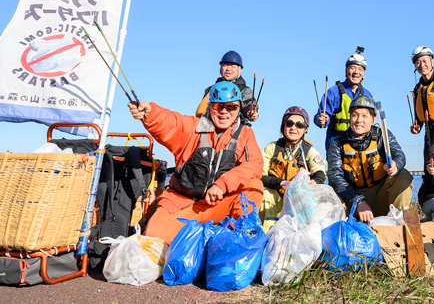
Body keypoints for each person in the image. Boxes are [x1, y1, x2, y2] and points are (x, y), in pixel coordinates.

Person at [128, 81, 264, 245]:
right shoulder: (193, 126)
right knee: (154, 236)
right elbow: (171, 122)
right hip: (185, 203)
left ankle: (239, 238)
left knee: (254, 186)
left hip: (221, 206)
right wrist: (150, 112)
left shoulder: (246, 134)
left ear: (239, 109)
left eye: (231, 107)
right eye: (218, 106)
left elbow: (254, 165)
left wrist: (223, 184)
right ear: (209, 107)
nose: (224, 112)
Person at [327, 95, 413, 222]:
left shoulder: (382, 135)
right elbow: (335, 177)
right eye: (355, 115)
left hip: (380, 196)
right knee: (330, 196)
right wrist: (357, 200)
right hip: (352, 201)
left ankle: (398, 220)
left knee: (403, 176)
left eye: (364, 116)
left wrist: (395, 165)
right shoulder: (337, 143)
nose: (359, 120)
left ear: (373, 119)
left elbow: (399, 154)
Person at [259, 106, 326, 232]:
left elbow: (320, 172)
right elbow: (261, 175)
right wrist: (281, 184)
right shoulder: (271, 148)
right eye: (289, 123)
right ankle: (267, 236)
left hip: (299, 197)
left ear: (306, 129)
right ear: (283, 126)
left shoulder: (310, 151)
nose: (293, 128)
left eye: (299, 125)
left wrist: (314, 182)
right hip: (276, 193)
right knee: (264, 194)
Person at [314, 47, 373, 151]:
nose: (356, 72)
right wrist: (322, 119)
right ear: (346, 70)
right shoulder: (333, 92)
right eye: (353, 67)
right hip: (336, 145)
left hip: (360, 146)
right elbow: (320, 116)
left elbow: (372, 119)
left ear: (363, 73)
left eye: (360, 69)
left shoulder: (367, 95)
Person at [196, 50, 259, 126]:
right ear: (220, 68)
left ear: (240, 69)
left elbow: (249, 101)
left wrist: (250, 111)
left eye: (233, 66)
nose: (228, 69)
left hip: (233, 133)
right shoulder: (211, 89)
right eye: (225, 65)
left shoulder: (244, 90)